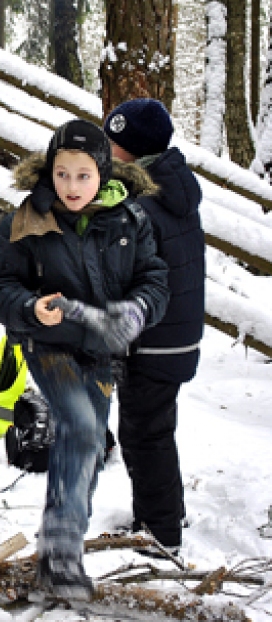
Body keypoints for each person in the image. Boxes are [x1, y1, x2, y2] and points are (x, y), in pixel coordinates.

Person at [0, 119, 169, 601]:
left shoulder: (130, 220)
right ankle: (59, 560)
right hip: (50, 347)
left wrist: (139, 308)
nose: (71, 186)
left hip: (103, 352)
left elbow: (154, 279)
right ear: (50, 171)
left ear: (102, 173)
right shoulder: (27, 218)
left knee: (88, 450)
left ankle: (66, 551)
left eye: (83, 176)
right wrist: (28, 308)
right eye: (62, 174)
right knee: (83, 432)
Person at [104, 98, 204, 554]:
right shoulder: (170, 187)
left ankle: (162, 536)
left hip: (153, 341)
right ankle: (163, 515)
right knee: (153, 433)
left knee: (144, 438)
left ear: (133, 150)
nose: (106, 148)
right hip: (174, 338)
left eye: (113, 142)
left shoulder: (142, 203)